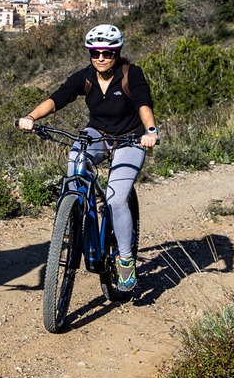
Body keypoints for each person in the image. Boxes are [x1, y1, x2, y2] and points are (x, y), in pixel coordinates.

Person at [17, 23, 158, 292]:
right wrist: (32, 117)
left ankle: (126, 259)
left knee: (117, 199)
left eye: (107, 53)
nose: (101, 58)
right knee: (75, 164)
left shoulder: (131, 74)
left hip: (130, 137)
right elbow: (58, 97)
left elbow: (143, 103)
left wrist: (150, 131)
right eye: (95, 53)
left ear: (117, 53)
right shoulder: (85, 77)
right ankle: (77, 212)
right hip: (97, 134)